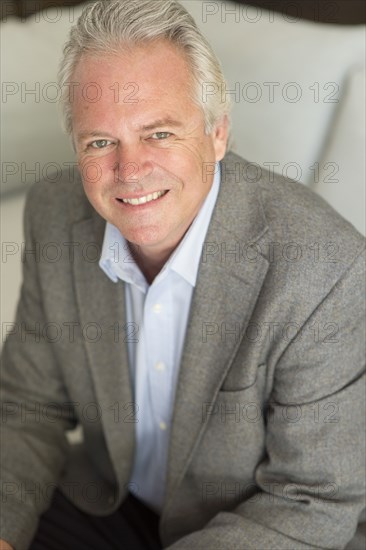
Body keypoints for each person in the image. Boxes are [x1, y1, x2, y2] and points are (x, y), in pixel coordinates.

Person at [1, 0, 365, 549]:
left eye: (160, 133)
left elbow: (312, 501)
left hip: (257, 528)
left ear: (218, 134)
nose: (130, 170)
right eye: (101, 142)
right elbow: (29, 406)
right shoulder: (54, 212)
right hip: (111, 500)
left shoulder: (327, 270)